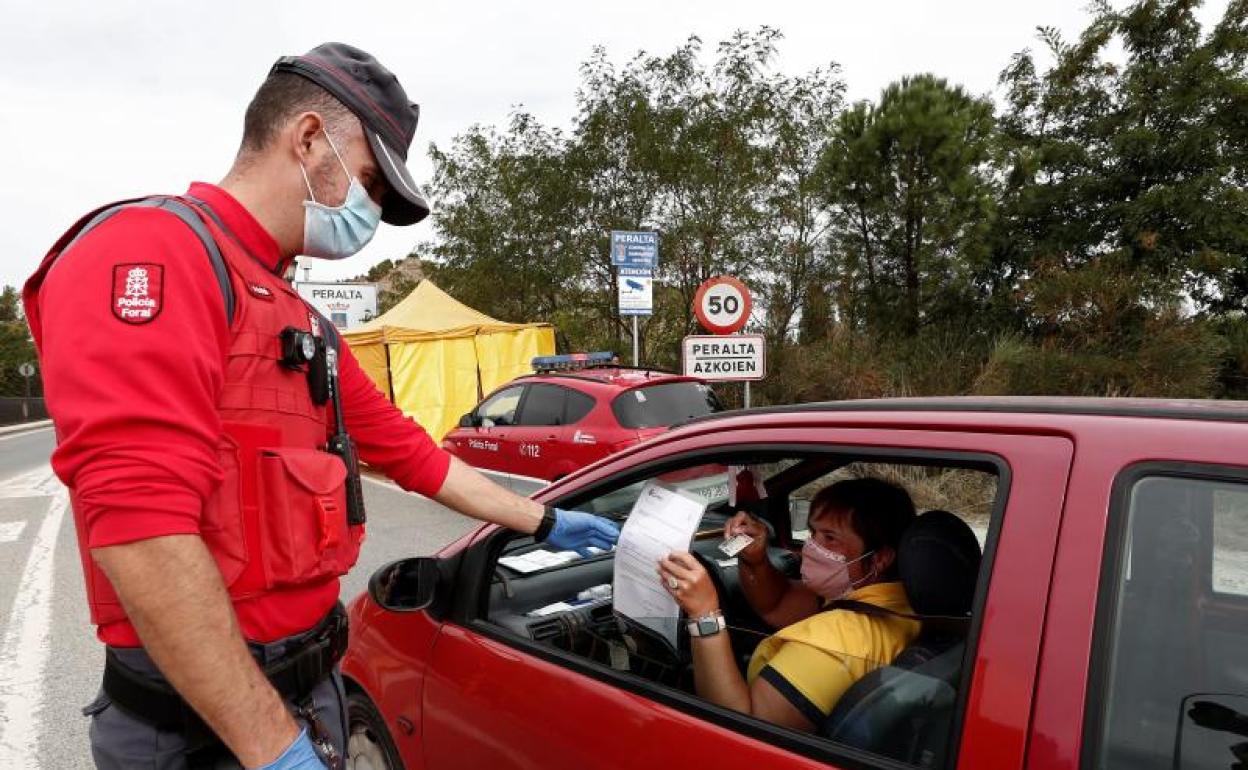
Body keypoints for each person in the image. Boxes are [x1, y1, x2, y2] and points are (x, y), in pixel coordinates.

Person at [23, 43, 618, 770]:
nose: (369, 210)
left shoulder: (299, 319)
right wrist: (274, 752)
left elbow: (414, 457)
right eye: (369, 180)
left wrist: (547, 519)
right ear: (307, 138)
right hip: (204, 731)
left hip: (310, 697)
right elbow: (140, 530)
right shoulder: (152, 254)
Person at [658, 478, 918, 733]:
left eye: (830, 538)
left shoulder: (837, 641)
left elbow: (741, 727)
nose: (811, 548)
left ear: (880, 558)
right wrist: (756, 562)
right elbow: (777, 605)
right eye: (813, 533)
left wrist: (704, 614)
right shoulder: (896, 599)